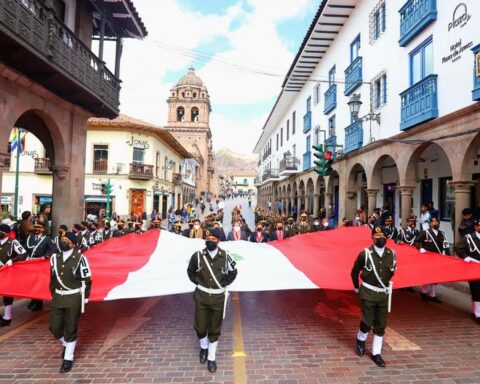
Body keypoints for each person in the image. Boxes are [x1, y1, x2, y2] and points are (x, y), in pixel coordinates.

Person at [186, 228, 237, 373]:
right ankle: (203, 348)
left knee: (215, 328)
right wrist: (199, 283)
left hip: (218, 298)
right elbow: (190, 272)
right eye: (208, 239)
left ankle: (211, 357)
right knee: (200, 327)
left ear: (218, 241)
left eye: (214, 239)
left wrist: (223, 283)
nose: (210, 241)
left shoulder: (225, 256)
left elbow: (234, 272)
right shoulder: (197, 256)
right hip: (201, 297)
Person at [351, 226, 396, 368]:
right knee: (367, 321)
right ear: (372, 238)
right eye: (377, 236)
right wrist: (357, 287)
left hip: (383, 294)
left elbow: (391, 272)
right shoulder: (365, 254)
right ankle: (361, 338)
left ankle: (376, 353)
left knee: (381, 325)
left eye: (382, 235)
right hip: (368, 293)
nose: (380, 238)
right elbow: (354, 272)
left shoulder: (392, 254)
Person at [49, 231, 92, 373]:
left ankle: (68, 358)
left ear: (73, 244)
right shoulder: (54, 258)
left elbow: (86, 279)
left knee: (71, 327)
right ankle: (67, 344)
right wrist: (53, 294)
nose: (63, 242)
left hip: (73, 298)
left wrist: (84, 297)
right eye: (62, 239)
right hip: (58, 297)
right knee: (54, 328)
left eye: (67, 240)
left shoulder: (80, 259)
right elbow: (53, 279)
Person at [415, 217, 450, 303]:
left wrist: (448, 256)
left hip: (438, 258)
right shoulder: (425, 232)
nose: (436, 223)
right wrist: (420, 248)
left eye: (437, 221)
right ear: (430, 224)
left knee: (436, 276)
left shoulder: (442, 234)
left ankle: (432, 295)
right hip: (427, 258)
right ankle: (424, 292)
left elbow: (446, 246)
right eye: (434, 222)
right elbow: (417, 241)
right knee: (428, 275)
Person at [0, 223, 27, 326]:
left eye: (1, 232)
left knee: (7, 295)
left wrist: (13, 260)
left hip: (7, 271)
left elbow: (24, 254)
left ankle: (7, 317)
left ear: (6, 233)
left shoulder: (13, 243)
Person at [454, 218, 480, 323]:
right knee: (476, 290)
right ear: (475, 227)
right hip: (473, 267)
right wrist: (465, 256)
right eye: (479, 225)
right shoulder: (469, 238)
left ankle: (474, 311)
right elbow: (457, 248)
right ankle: (478, 315)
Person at [25, 221, 54, 311]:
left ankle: (38, 302)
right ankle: (33, 299)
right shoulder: (30, 237)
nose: (36, 229)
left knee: (38, 283)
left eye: (39, 227)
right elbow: (25, 249)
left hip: (40, 264)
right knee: (30, 283)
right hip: (30, 263)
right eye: (35, 227)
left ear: (43, 229)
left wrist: (46, 256)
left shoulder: (47, 239)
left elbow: (53, 249)